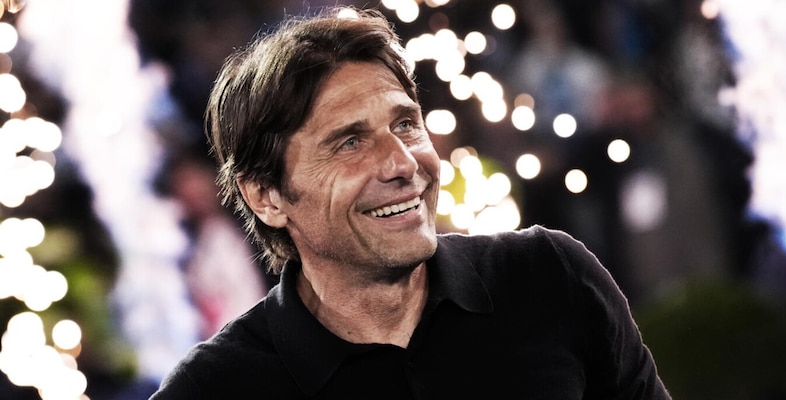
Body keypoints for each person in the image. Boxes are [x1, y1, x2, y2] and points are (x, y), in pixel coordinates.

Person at [150, 7, 671, 399]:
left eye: (405, 124)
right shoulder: (213, 389)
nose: (402, 162)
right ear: (265, 196)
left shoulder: (550, 278)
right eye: (349, 142)